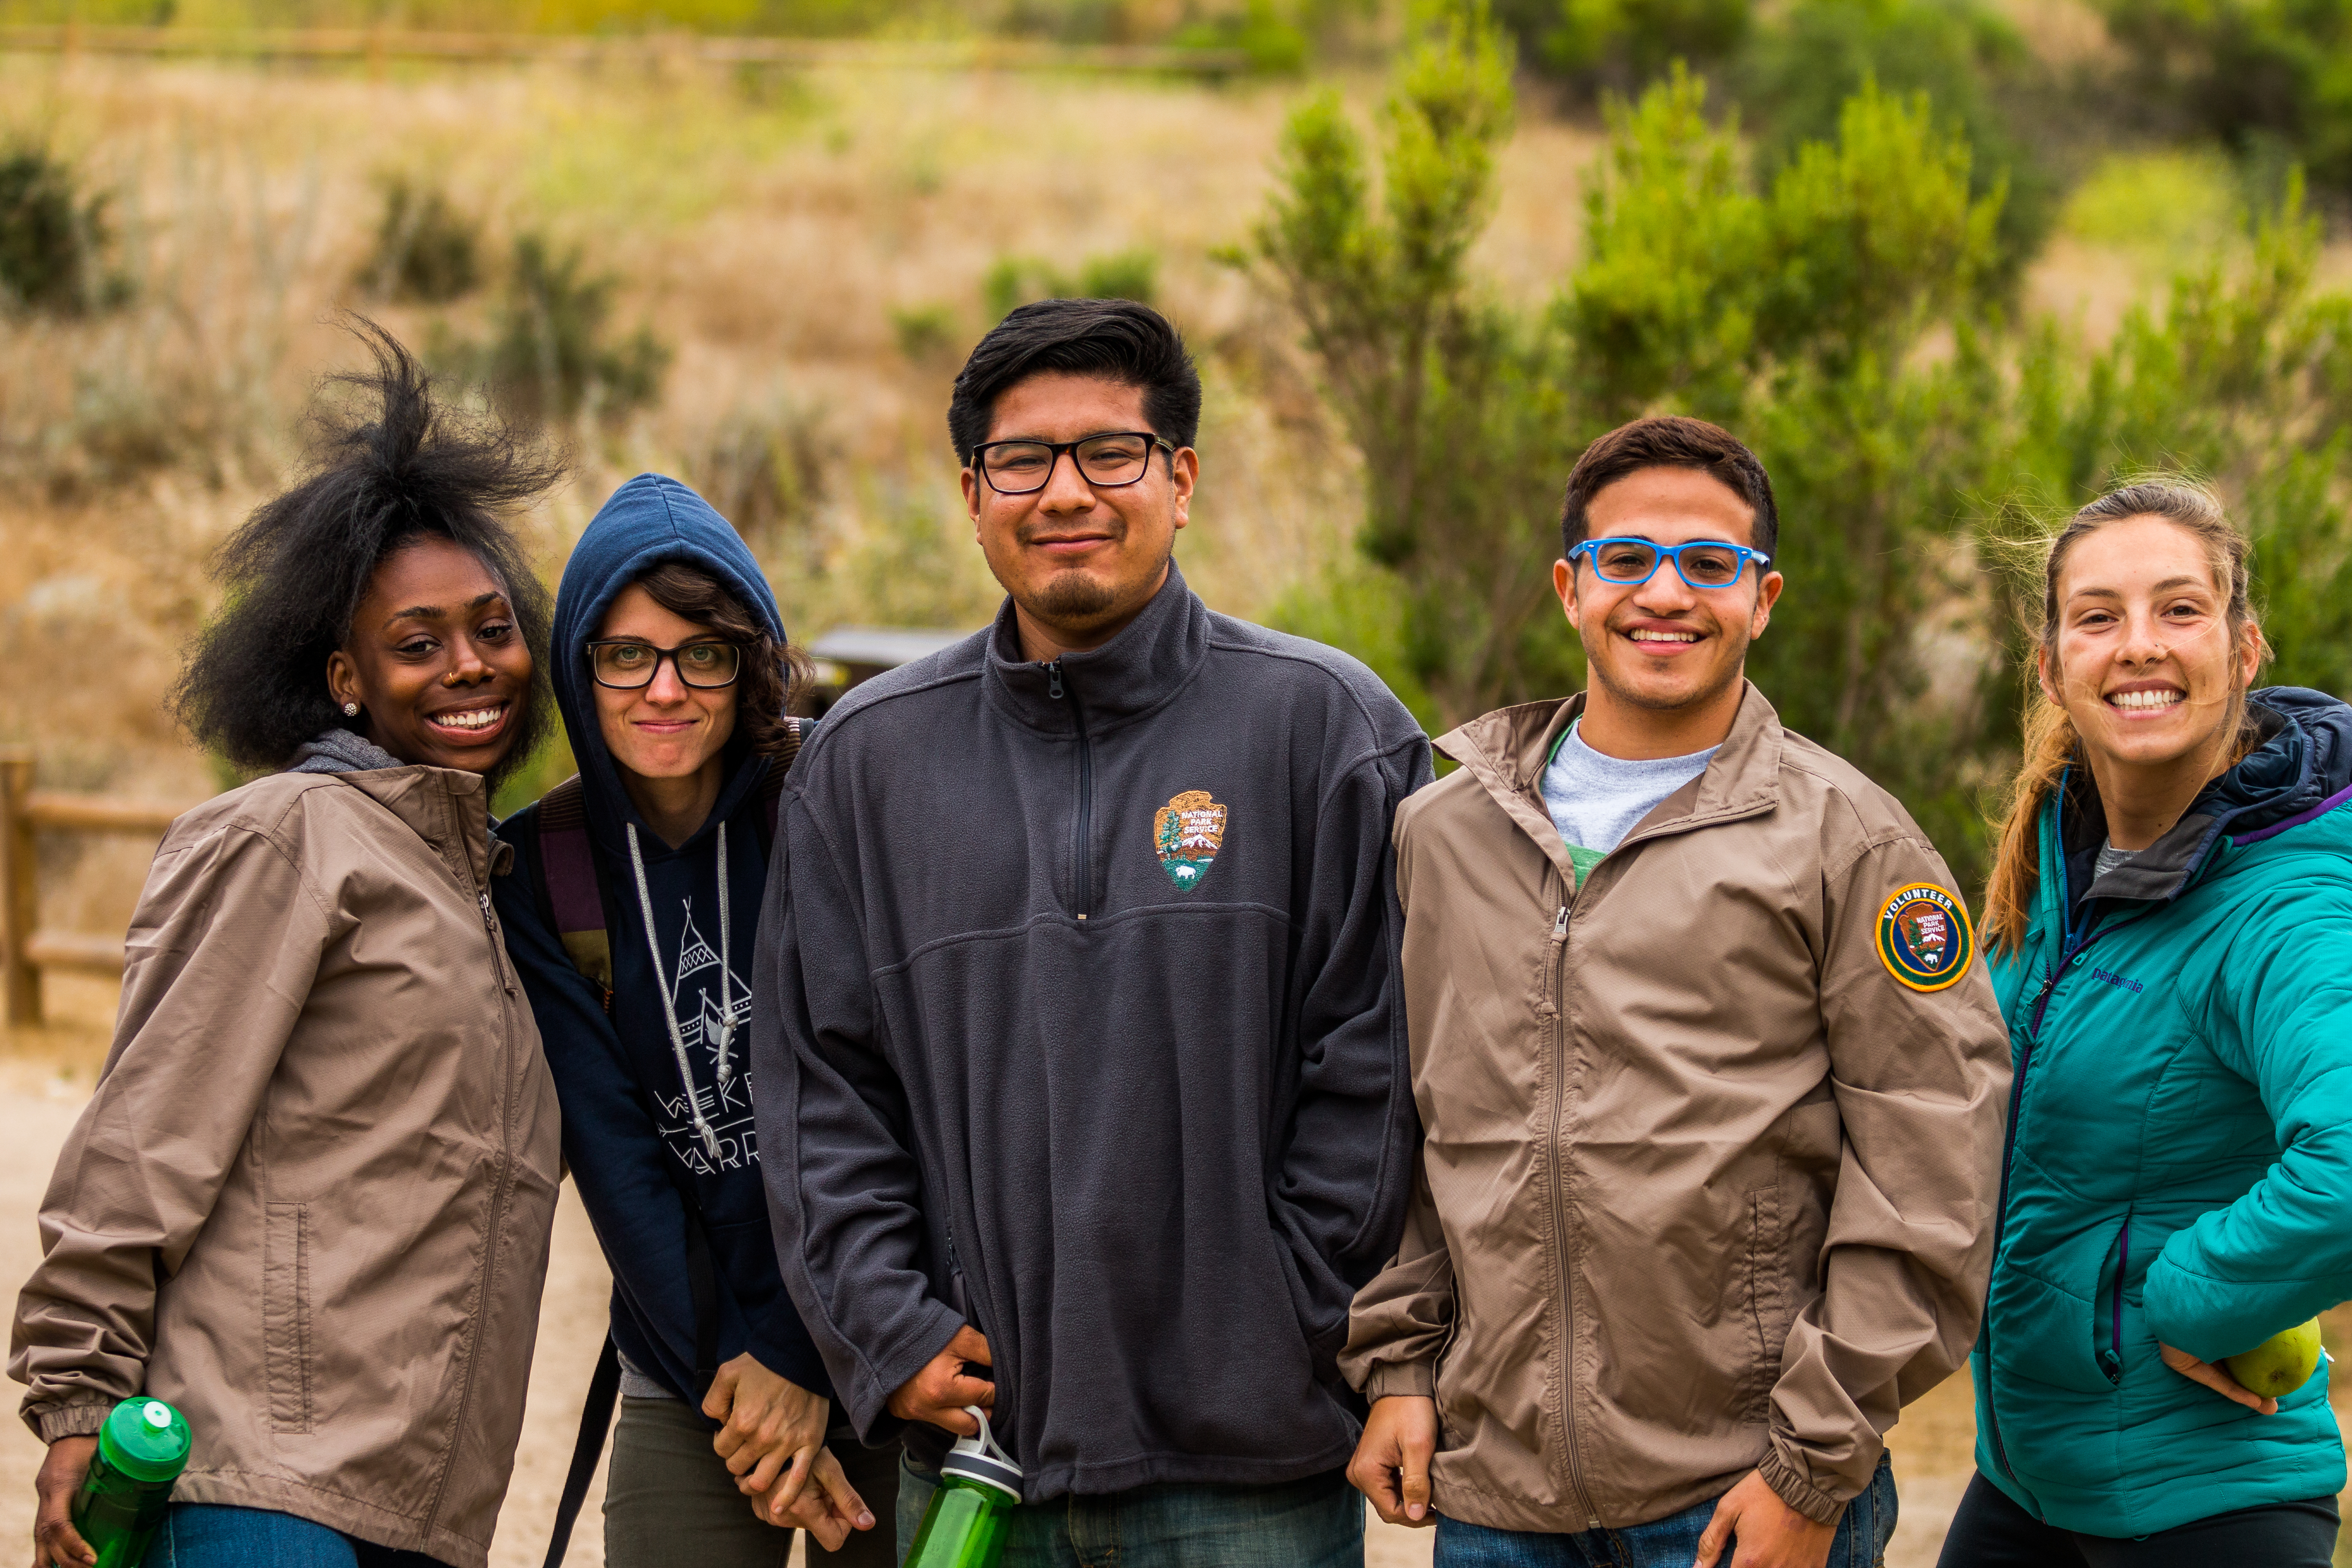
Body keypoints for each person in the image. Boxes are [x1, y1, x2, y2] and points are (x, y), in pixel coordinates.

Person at [749, 297, 1432, 1568]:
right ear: (972, 493)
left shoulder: (1329, 733)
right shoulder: (866, 765)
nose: (1067, 491)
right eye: (1025, 459)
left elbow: (1383, 1072)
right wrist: (887, 1329)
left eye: (1109, 453)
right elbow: (816, 1088)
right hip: (980, 1467)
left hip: (1251, 1479)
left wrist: (1283, 1321)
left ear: (1181, 480)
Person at [1341, 415, 2012, 1568]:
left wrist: (1812, 1466)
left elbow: (1931, 1162)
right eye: (1627, 560)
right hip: (1498, 1501)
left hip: (1739, 1493)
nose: (1666, 593)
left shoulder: (1848, 838)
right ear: (1569, 587)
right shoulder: (1442, 834)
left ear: (1765, 597)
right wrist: (1400, 1363)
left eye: (1710, 564)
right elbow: (1410, 1126)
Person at [12, 326, 565, 1568]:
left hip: (418, 1511)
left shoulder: (480, 885)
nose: (469, 667)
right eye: (417, 644)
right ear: (346, 679)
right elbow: (146, 1133)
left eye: (491, 628)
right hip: (258, 1491)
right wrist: (79, 1400)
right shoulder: (289, 836)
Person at [1934, 480, 2352, 1567]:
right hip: (2028, 1482)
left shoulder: (2286, 909)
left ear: (2244, 649)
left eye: (2179, 610)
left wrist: (2181, 1304)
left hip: (2208, 1508)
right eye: (2099, 616)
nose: (2140, 647)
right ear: (2052, 664)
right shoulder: (2061, 868)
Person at [492, 473, 890, 1565]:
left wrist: (811, 1358)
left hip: (888, 1333)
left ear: (748, 659)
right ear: (580, 667)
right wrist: (748, 1383)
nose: (663, 688)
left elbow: (905, 1103)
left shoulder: (832, 801)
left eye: (701, 653)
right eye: (626, 654)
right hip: (694, 1362)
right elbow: (617, 1160)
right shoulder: (543, 870)